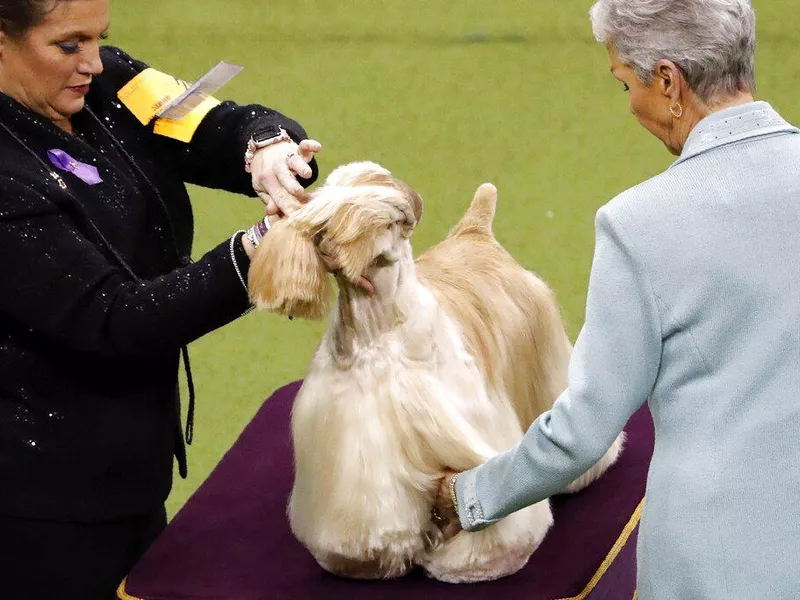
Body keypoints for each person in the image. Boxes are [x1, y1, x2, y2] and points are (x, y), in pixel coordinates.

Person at [434, 1, 800, 598]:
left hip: (713, 565)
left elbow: (583, 430)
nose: (630, 104)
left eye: (626, 83)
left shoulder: (638, 225)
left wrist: (464, 497)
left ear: (668, 81)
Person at [0, 0, 321, 597]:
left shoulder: (108, 83)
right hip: (35, 500)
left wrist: (268, 149)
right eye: (68, 45)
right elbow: (115, 320)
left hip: (126, 466)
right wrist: (254, 251)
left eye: (100, 38)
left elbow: (213, 126)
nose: (94, 62)